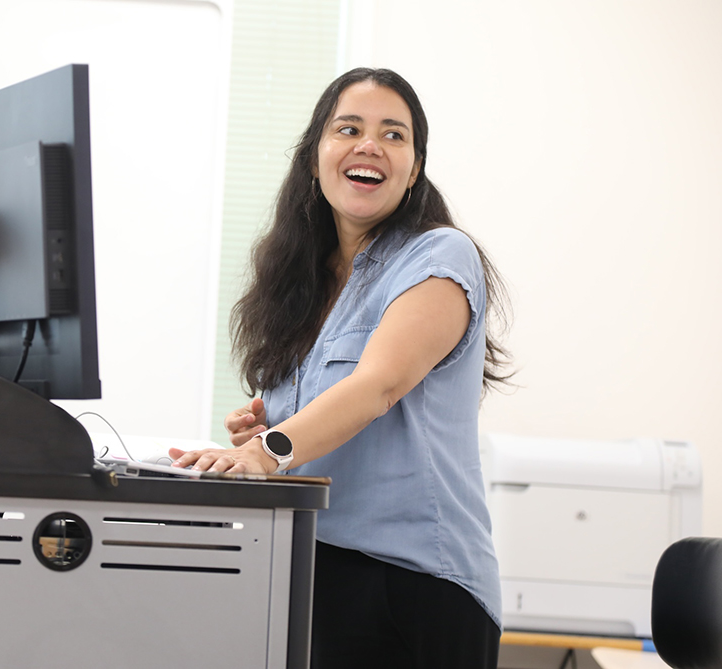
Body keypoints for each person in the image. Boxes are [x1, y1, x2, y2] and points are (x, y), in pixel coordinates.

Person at [169, 67, 511, 668]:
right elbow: (318, 422)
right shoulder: (299, 282)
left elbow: (377, 385)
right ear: (315, 157)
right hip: (310, 569)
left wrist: (268, 451)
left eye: (393, 134)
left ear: (413, 167)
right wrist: (271, 429)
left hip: (413, 585)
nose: (369, 145)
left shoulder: (438, 256)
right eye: (347, 128)